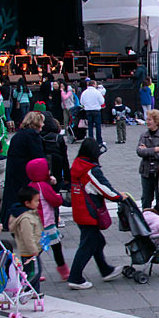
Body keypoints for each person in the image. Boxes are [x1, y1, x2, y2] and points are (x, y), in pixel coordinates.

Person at [68, 138, 123, 289]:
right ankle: (75, 277)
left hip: (80, 211)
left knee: (97, 241)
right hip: (89, 213)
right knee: (88, 244)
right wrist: (119, 197)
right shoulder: (90, 169)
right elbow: (104, 188)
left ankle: (105, 270)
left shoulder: (77, 165)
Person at [0, 111, 47, 225]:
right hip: (26, 173)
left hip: (14, 171)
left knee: (12, 196)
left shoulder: (19, 135)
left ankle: (8, 220)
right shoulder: (33, 137)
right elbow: (39, 158)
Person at [27, 157, 68, 280]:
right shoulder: (43, 187)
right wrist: (59, 197)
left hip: (35, 223)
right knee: (56, 248)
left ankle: (33, 271)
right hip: (47, 224)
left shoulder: (31, 185)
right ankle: (64, 271)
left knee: (37, 250)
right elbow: (55, 201)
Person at [8, 186, 44, 292]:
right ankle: (25, 290)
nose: (38, 203)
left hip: (30, 250)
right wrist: (34, 250)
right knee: (34, 272)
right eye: (36, 201)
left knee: (31, 270)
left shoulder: (29, 214)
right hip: (30, 251)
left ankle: (34, 291)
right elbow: (28, 237)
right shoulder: (26, 218)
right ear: (27, 203)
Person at [137, 109, 159, 210]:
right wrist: (155, 150)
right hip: (146, 172)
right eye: (147, 119)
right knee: (146, 198)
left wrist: (147, 150)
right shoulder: (144, 135)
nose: (147, 122)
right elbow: (139, 152)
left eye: (149, 120)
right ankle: (146, 220)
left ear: (156, 121)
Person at [79, 80, 105, 146]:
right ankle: (99, 141)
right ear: (94, 84)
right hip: (96, 110)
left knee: (90, 126)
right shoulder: (97, 92)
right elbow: (102, 101)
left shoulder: (84, 92)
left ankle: (91, 140)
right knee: (98, 126)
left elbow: (81, 102)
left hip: (88, 110)